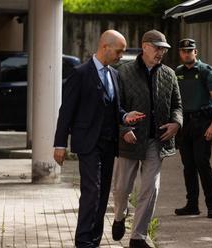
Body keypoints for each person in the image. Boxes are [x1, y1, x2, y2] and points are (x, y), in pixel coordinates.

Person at [53, 30, 144, 248]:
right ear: (105, 47)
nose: (121, 55)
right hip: (87, 143)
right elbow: (66, 112)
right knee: (91, 190)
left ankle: (94, 239)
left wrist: (124, 116)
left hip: (109, 143)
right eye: (119, 51)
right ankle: (83, 240)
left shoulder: (114, 74)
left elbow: (115, 107)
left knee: (103, 193)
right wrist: (59, 144)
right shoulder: (80, 73)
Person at [111, 30, 182, 248]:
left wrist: (176, 123)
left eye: (164, 49)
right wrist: (124, 129)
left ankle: (137, 237)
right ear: (145, 46)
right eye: (157, 47)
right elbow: (115, 107)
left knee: (150, 188)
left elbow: (177, 105)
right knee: (122, 188)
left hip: (156, 140)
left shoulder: (169, 74)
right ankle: (119, 216)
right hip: (129, 140)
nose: (161, 52)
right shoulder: (123, 72)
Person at [174, 38, 212, 218]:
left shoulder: (206, 71)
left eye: (190, 50)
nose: (187, 53)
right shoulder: (177, 72)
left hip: (202, 123)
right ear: (180, 53)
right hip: (184, 123)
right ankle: (192, 204)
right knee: (188, 165)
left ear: (196, 52)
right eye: (183, 51)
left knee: (202, 163)